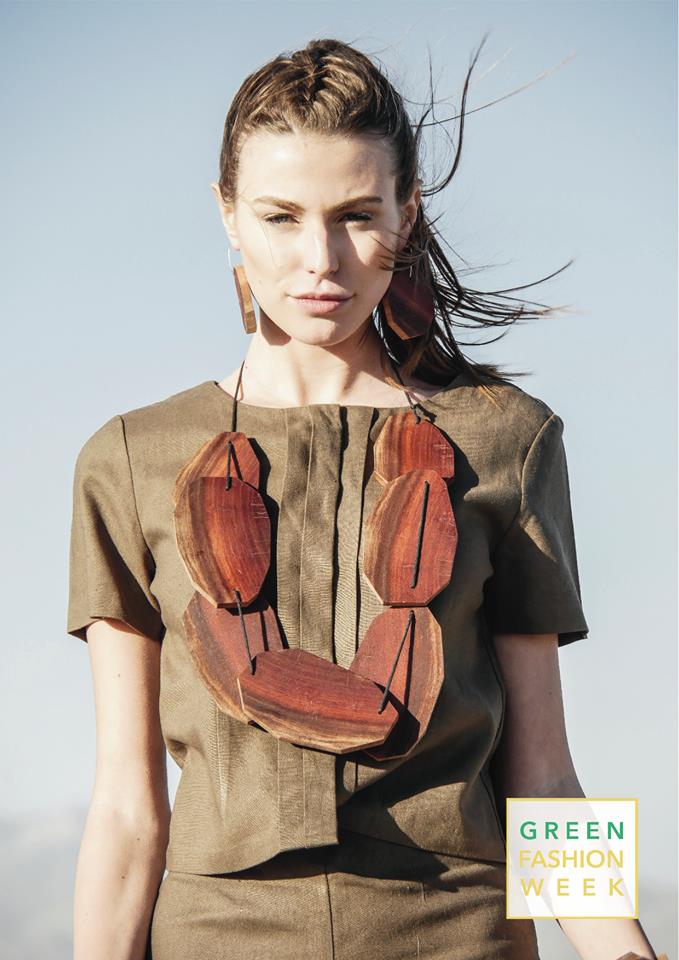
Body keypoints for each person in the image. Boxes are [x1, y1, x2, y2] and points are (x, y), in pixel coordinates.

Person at [66, 36, 660, 960]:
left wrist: (626, 951)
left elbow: (544, 776)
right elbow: (126, 807)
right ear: (226, 214)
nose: (320, 259)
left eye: (355, 214)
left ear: (408, 211)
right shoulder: (132, 458)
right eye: (279, 216)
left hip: (459, 932)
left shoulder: (507, 438)